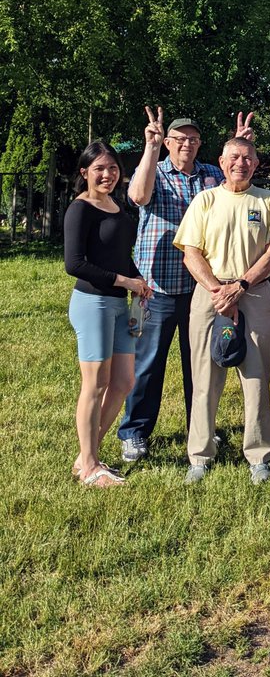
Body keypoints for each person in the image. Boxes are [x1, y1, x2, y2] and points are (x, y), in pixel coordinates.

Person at [117, 106, 255, 463]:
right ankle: (134, 432)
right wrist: (150, 148)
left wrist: (240, 144)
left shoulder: (211, 174)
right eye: (179, 139)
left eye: (193, 139)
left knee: (201, 366)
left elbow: (236, 178)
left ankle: (202, 428)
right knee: (146, 365)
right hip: (153, 289)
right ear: (167, 142)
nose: (186, 144)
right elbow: (138, 197)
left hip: (201, 289)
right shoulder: (154, 170)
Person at [173, 137, 270, 485]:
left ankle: (258, 454)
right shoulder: (205, 200)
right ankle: (200, 454)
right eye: (234, 157)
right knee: (204, 378)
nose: (241, 163)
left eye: (248, 157)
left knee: (256, 377)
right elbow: (191, 252)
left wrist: (240, 286)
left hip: (254, 292)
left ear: (256, 164)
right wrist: (218, 290)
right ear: (221, 162)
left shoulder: (267, 200)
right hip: (210, 294)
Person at [64, 141, 152, 488]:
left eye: (112, 168)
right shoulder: (80, 209)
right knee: (95, 383)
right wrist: (124, 280)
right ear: (84, 172)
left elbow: (118, 255)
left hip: (119, 305)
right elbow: (75, 264)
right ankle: (89, 467)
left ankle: (87, 455)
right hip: (93, 304)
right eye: (99, 168)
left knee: (123, 382)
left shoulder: (117, 206)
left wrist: (137, 280)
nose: (107, 174)